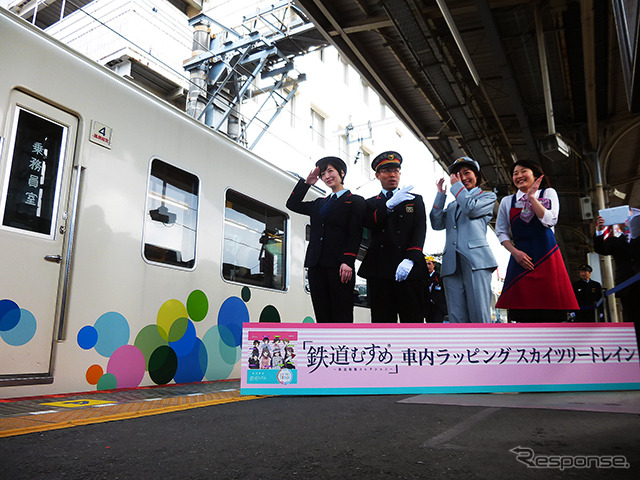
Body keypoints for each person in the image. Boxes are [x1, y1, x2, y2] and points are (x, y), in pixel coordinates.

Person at [495, 160, 578, 321]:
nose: (518, 176)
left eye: (523, 171)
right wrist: (516, 253)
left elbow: (550, 220)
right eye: (514, 173)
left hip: (548, 258)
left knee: (552, 312)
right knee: (522, 314)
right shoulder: (507, 201)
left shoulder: (548, 193)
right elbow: (501, 232)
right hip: (521, 260)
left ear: (535, 175)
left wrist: (532, 198)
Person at [286, 156, 365, 323]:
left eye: (330, 171)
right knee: (322, 315)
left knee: (341, 314)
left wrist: (348, 260)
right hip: (316, 265)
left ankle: (341, 348)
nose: (327, 176)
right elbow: (292, 204)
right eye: (323, 174)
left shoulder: (355, 201)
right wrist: (307, 183)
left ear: (341, 173)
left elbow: (355, 232)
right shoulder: (319, 203)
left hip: (339, 266)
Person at [358, 151, 426, 323]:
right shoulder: (370, 203)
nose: (392, 175)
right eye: (387, 171)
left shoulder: (414, 200)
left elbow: (419, 231)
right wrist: (388, 206)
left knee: (412, 319)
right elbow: (370, 223)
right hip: (380, 269)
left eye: (396, 170)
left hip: (408, 269)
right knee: (382, 321)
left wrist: (411, 259)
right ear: (377, 175)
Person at [429, 157, 497, 323]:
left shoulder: (487, 197)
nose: (463, 178)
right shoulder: (452, 205)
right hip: (452, 263)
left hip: (476, 261)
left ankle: (484, 349)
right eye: (459, 175)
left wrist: (457, 187)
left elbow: (471, 209)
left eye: (467, 173)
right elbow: (436, 223)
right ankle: (462, 349)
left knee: (479, 313)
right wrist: (440, 195)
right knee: (456, 317)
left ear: (477, 176)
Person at [593, 215, 640, 323]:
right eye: (622, 221)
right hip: (626, 285)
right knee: (630, 316)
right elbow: (601, 249)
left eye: (628, 219)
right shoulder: (615, 241)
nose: (624, 223)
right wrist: (599, 231)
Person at [424, 256, 447, 323]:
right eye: (425, 264)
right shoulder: (423, 278)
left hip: (438, 307)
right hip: (428, 308)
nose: (427, 266)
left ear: (433, 265)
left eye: (429, 264)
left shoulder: (439, 277)